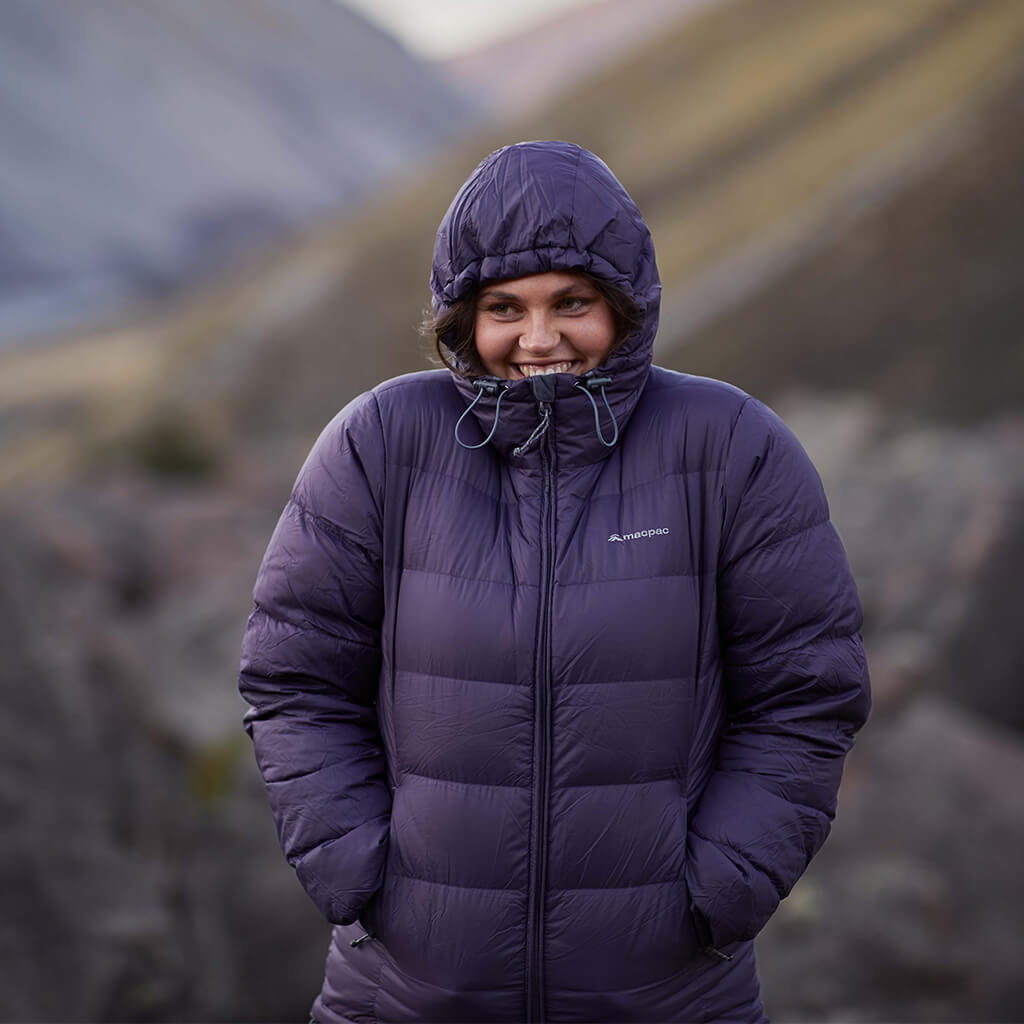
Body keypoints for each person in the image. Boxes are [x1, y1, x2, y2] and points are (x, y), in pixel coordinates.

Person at [239, 140, 870, 1023]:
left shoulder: (730, 446)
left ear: (623, 305)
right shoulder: (382, 441)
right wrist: (361, 873)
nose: (539, 339)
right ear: (464, 320)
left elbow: (807, 695)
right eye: (505, 307)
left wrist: (719, 890)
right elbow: (294, 677)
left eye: (571, 301)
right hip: (403, 994)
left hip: (669, 997)